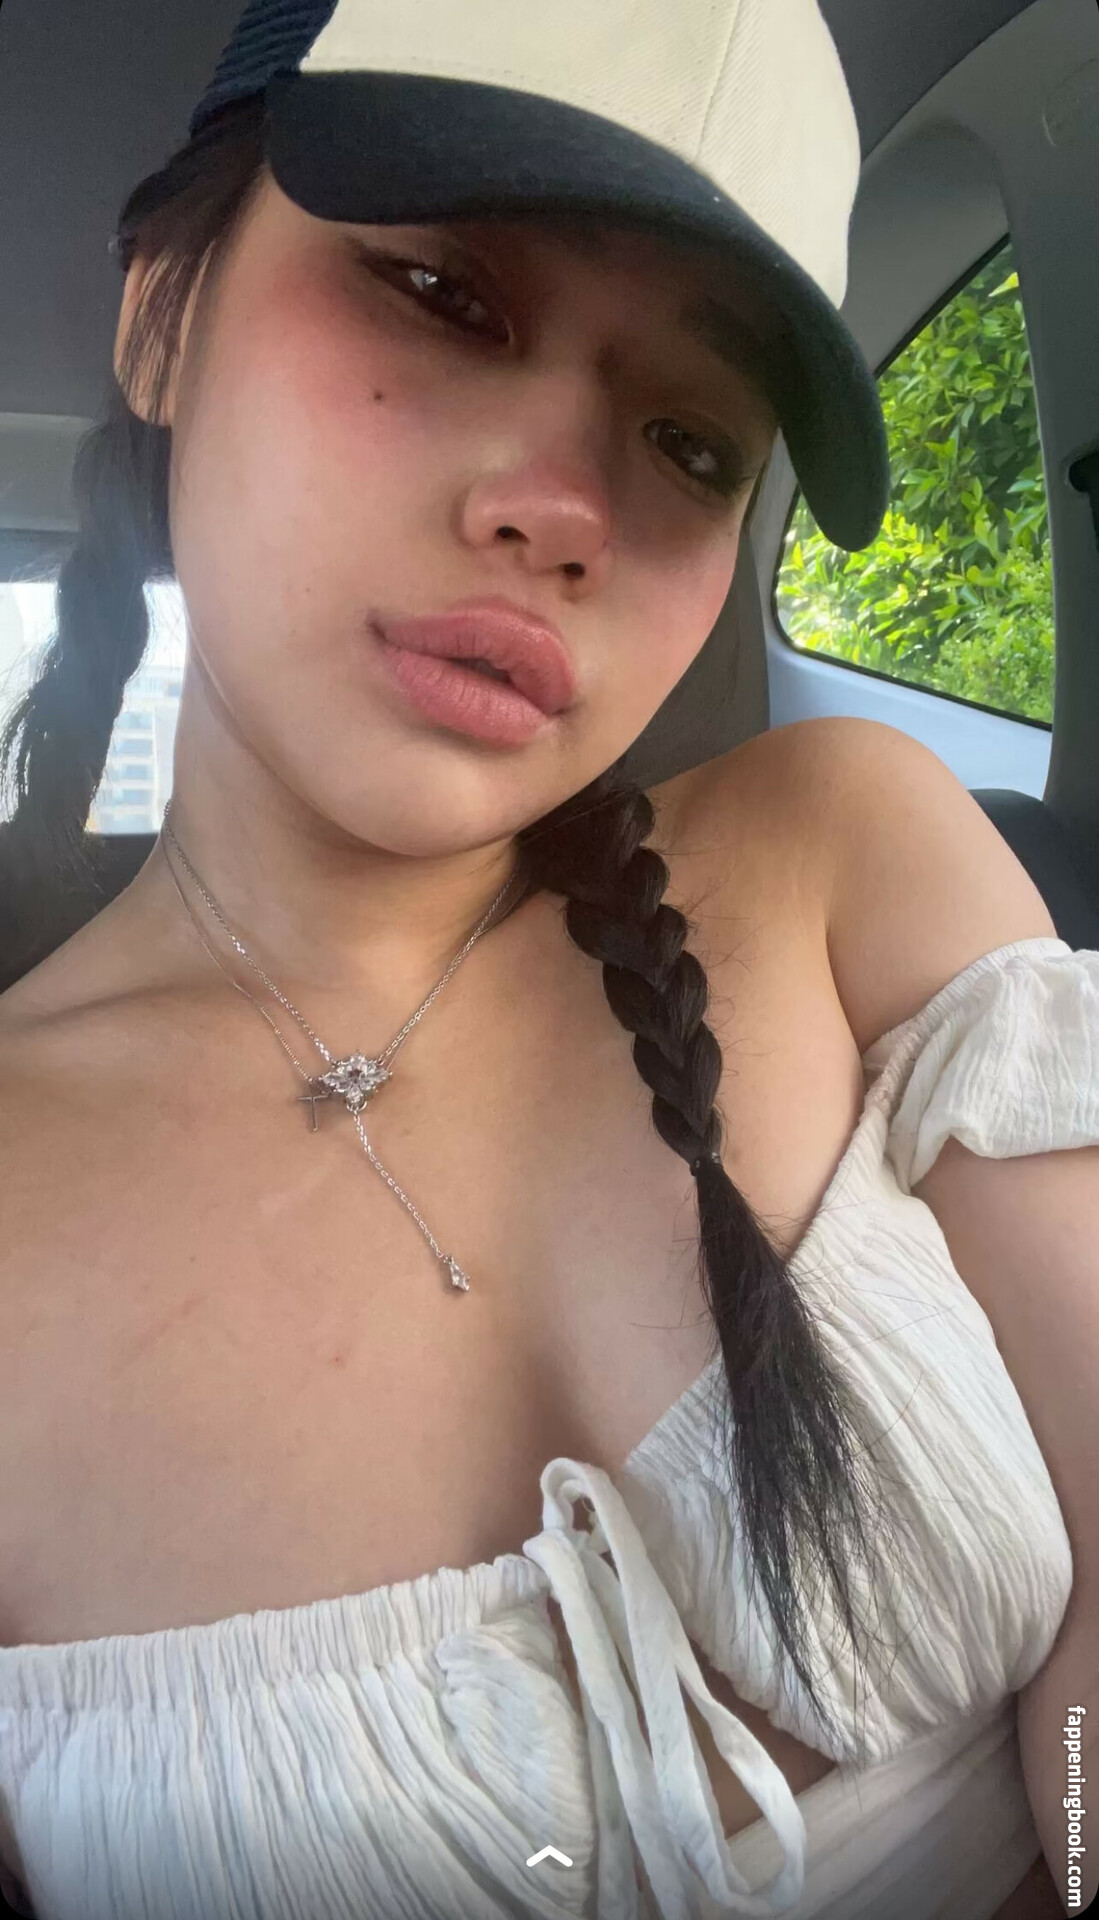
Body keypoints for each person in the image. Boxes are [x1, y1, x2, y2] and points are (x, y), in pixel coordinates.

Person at [0, 1, 1094, 1916]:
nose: (567, 509)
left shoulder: (850, 846)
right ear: (162, 313)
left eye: (690, 438)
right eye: (443, 294)